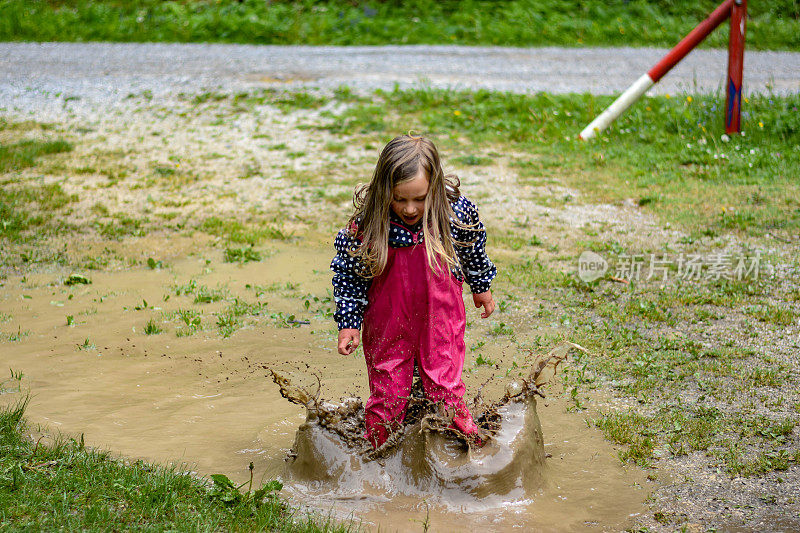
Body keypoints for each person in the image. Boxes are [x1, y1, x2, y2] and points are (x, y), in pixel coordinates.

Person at [330, 134, 497, 448]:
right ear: (384, 191)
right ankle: (376, 454)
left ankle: (469, 451)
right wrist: (349, 322)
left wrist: (481, 286)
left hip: (440, 320)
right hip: (389, 323)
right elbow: (348, 274)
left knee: (445, 389)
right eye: (399, 198)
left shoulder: (453, 213)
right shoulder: (371, 223)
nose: (409, 209)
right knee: (388, 395)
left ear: (434, 187)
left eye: (419, 198)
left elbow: (474, 248)